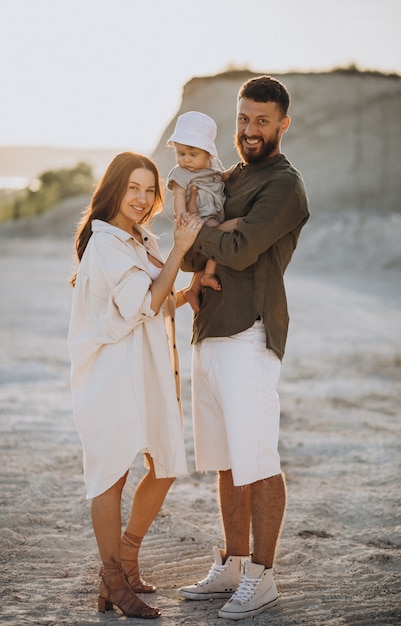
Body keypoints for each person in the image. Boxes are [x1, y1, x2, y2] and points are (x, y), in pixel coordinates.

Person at [177, 76, 310, 620]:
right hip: (209, 330)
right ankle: (232, 563)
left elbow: (238, 247)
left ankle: (263, 575)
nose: (250, 130)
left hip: (250, 332)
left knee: (256, 458)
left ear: (282, 124)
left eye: (261, 121)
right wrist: (206, 231)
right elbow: (190, 256)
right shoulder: (226, 176)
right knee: (227, 461)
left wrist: (202, 230)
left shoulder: (284, 184)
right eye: (243, 119)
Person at [67, 152, 203, 619]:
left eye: (150, 190)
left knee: (164, 464)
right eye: (133, 189)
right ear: (113, 191)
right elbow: (144, 302)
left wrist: (189, 291)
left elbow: (156, 301)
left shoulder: (140, 238)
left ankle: (126, 559)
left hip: (145, 372)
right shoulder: (106, 244)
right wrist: (183, 251)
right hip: (109, 376)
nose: (143, 199)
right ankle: (111, 579)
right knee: (112, 475)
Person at [167, 111, 226, 313]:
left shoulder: (215, 166)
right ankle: (208, 275)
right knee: (218, 236)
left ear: (208, 153)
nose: (186, 160)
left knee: (219, 236)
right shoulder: (180, 173)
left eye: (193, 154)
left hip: (215, 214)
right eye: (181, 154)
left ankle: (193, 288)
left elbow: (223, 179)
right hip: (198, 219)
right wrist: (182, 215)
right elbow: (178, 194)